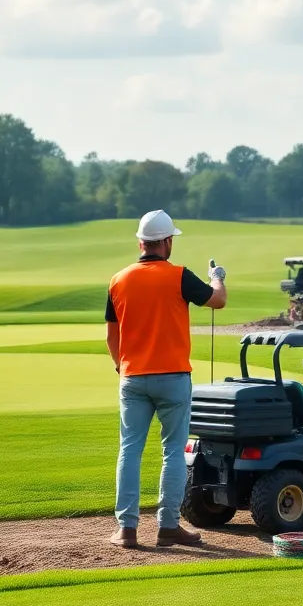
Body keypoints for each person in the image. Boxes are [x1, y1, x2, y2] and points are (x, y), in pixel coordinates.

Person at [106, 210, 227, 548]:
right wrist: (217, 277)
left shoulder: (119, 279)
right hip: (173, 376)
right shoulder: (179, 276)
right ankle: (168, 526)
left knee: (129, 451)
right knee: (173, 451)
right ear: (167, 242)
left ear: (142, 242)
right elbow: (218, 300)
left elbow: (111, 337)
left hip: (132, 377)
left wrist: (122, 366)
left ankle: (126, 530)